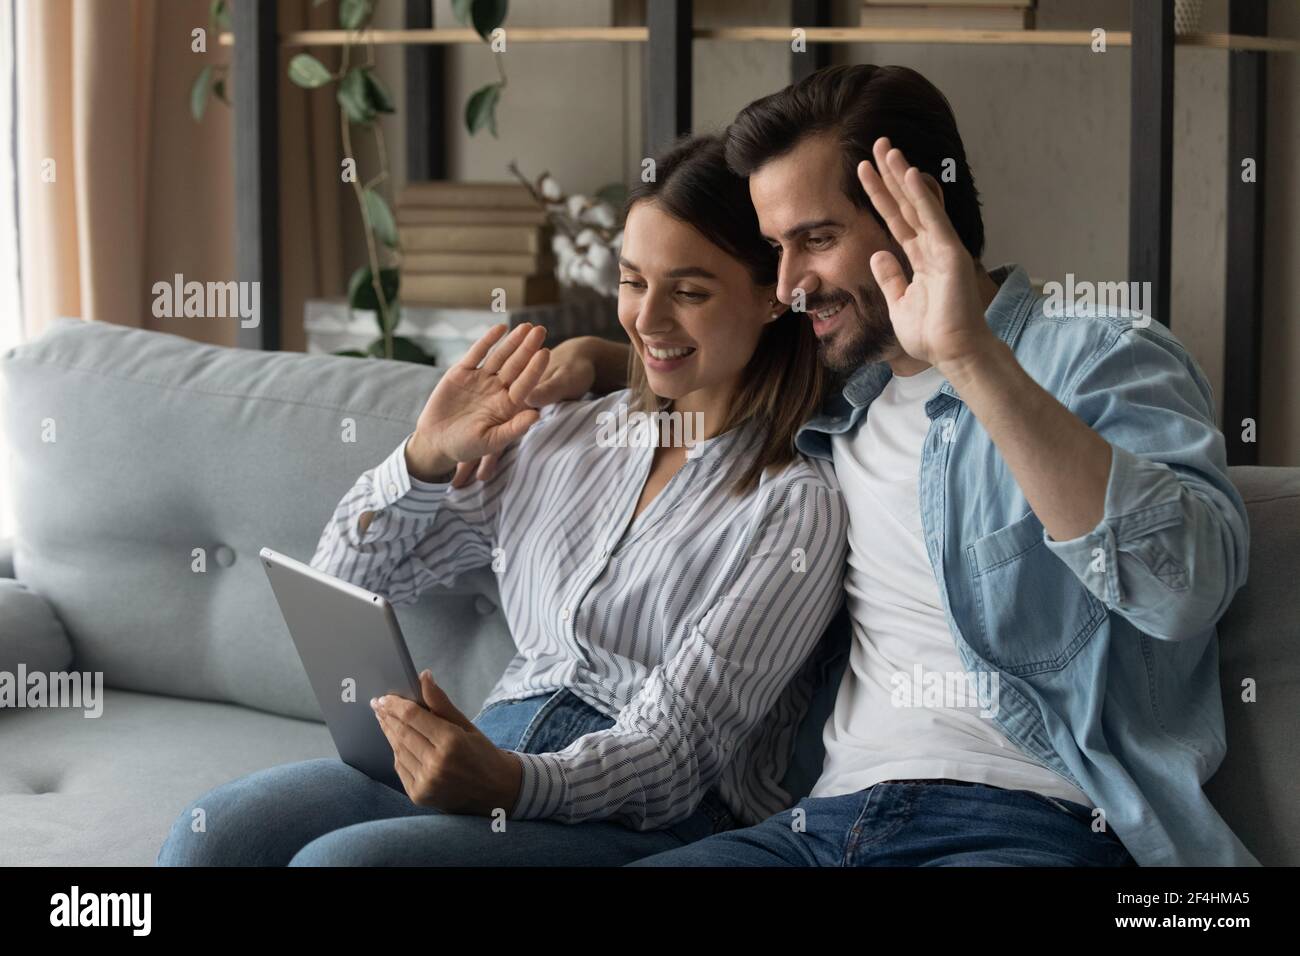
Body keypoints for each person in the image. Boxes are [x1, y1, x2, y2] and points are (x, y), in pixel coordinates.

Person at [538, 65, 1255, 867]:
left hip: (1035, 825)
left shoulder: (1101, 355)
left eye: (815, 239)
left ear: (919, 210)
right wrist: (596, 358)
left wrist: (972, 358)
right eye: (777, 248)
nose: (790, 285)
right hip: (819, 827)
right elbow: (703, 350)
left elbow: (1183, 588)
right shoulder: (840, 386)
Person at [155, 133, 848, 867]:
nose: (647, 320)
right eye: (633, 281)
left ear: (773, 297)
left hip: (647, 813)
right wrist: (423, 457)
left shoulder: (793, 504)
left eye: (690, 291)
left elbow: (676, 756)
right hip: (490, 747)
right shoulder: (561, 434)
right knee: (216, 833)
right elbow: (344, 589)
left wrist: (511, 783)